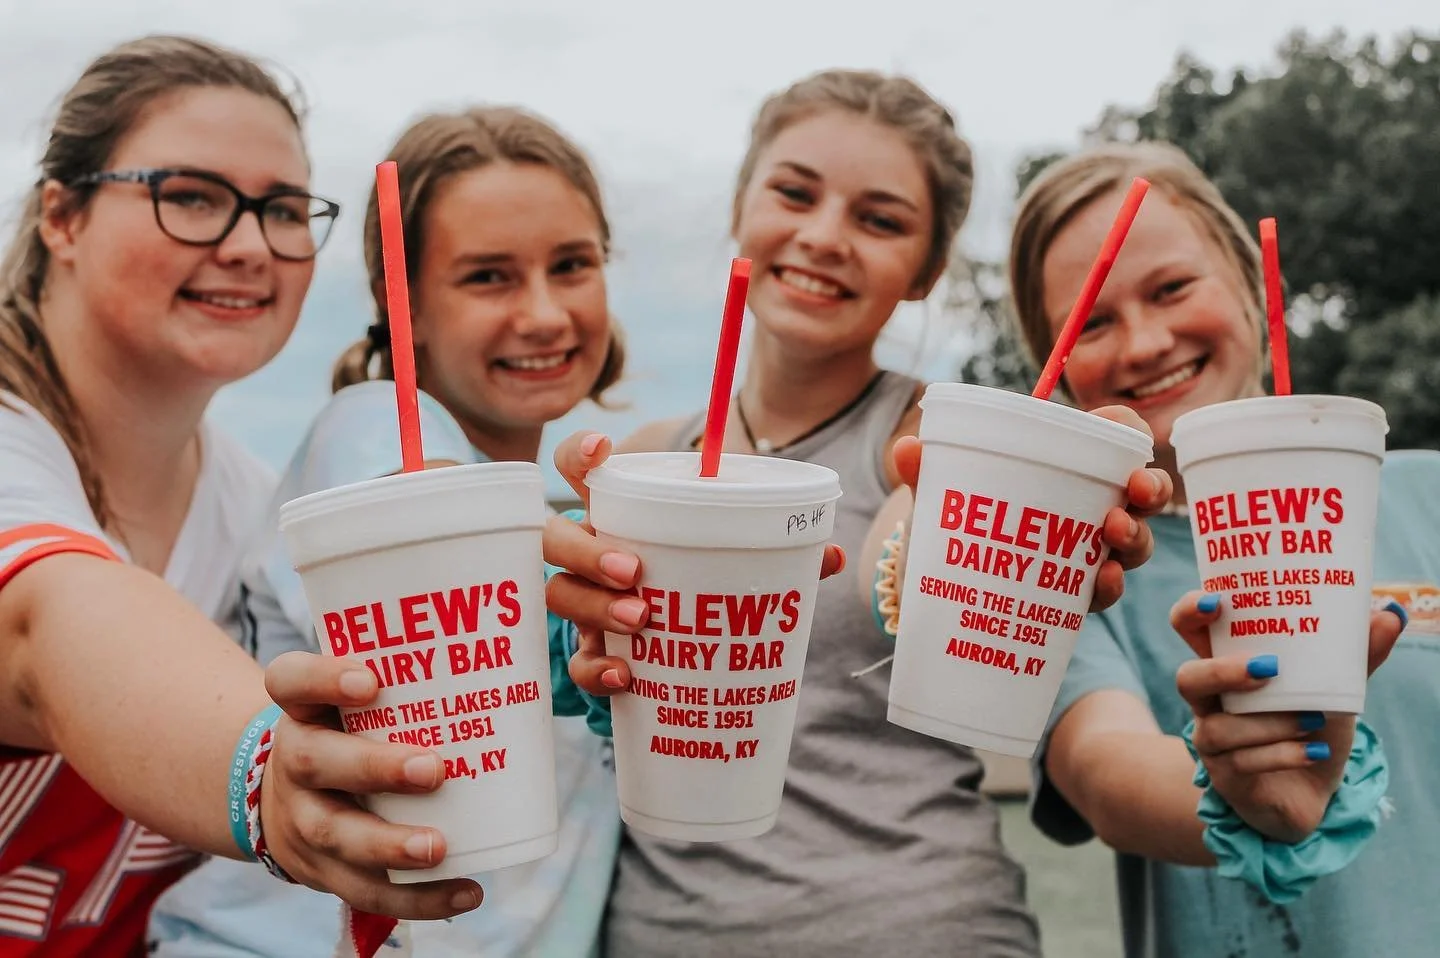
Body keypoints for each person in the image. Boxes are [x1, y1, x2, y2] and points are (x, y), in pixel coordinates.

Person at [543, 69, 1169, 958]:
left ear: (925, 273)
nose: (825, 236)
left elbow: (905, 564)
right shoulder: (646, 455)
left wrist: (1000, 519)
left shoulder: (936, 435)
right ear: (740, 204)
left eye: (880, 220)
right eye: (795, 193)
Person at [0, 35, 483, 957]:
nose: (251, 245)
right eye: (191, 197)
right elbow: (45, 626)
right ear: (61, 216)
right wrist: (272, 777)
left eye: (286, 209)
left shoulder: (257, 505)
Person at [148, 105, 627, 958]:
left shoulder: (562, 518)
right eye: (488, 277)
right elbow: (466, 579)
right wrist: (626, 591)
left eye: (572, 265)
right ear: (400, 301)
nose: (546, 312)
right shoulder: (366, 434)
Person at [1003, 142, 1431, 957]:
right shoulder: (1076, 576)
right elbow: (1105, 770)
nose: (1142, 343)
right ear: (1055, 366)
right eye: (1091, 322)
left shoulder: (1428, 497)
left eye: (1171, 289)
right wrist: (1237, 796)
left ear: (1243, 274)